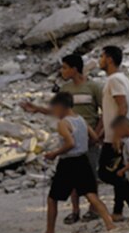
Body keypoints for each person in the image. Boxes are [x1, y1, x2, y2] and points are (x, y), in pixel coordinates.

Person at [20, 54, 104, 224]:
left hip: (89, 138)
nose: (62, 71)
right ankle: (75, 210)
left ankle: (93, 210)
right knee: (74, 178)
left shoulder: (94, 87)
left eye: (65, 67)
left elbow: (104, 112)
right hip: (73, 136)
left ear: (74, 68)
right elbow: (56, 110)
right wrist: (37, 109)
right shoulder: (66, 89)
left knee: (91, 176)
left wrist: (96, 134)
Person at [35, 93, 116, 233]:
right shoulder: (81, 120)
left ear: (60, 107)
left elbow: (70, 143)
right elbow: (94, 137)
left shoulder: (63, 123)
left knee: (53, 198)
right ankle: (110, 224)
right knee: (91, 194)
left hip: (68, 162)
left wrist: (54, 153)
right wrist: (84, 146)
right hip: (83, 160)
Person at [97, 46, 129, 220]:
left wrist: (115, 135)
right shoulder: (121, 79)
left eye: (101, 56)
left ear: (109, 59)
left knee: (106, 173)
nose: (100, 60)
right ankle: (118, 211)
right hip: (118, 133)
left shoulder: (114, 80)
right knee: (118, 172)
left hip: (117, 136)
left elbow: (122, 106)